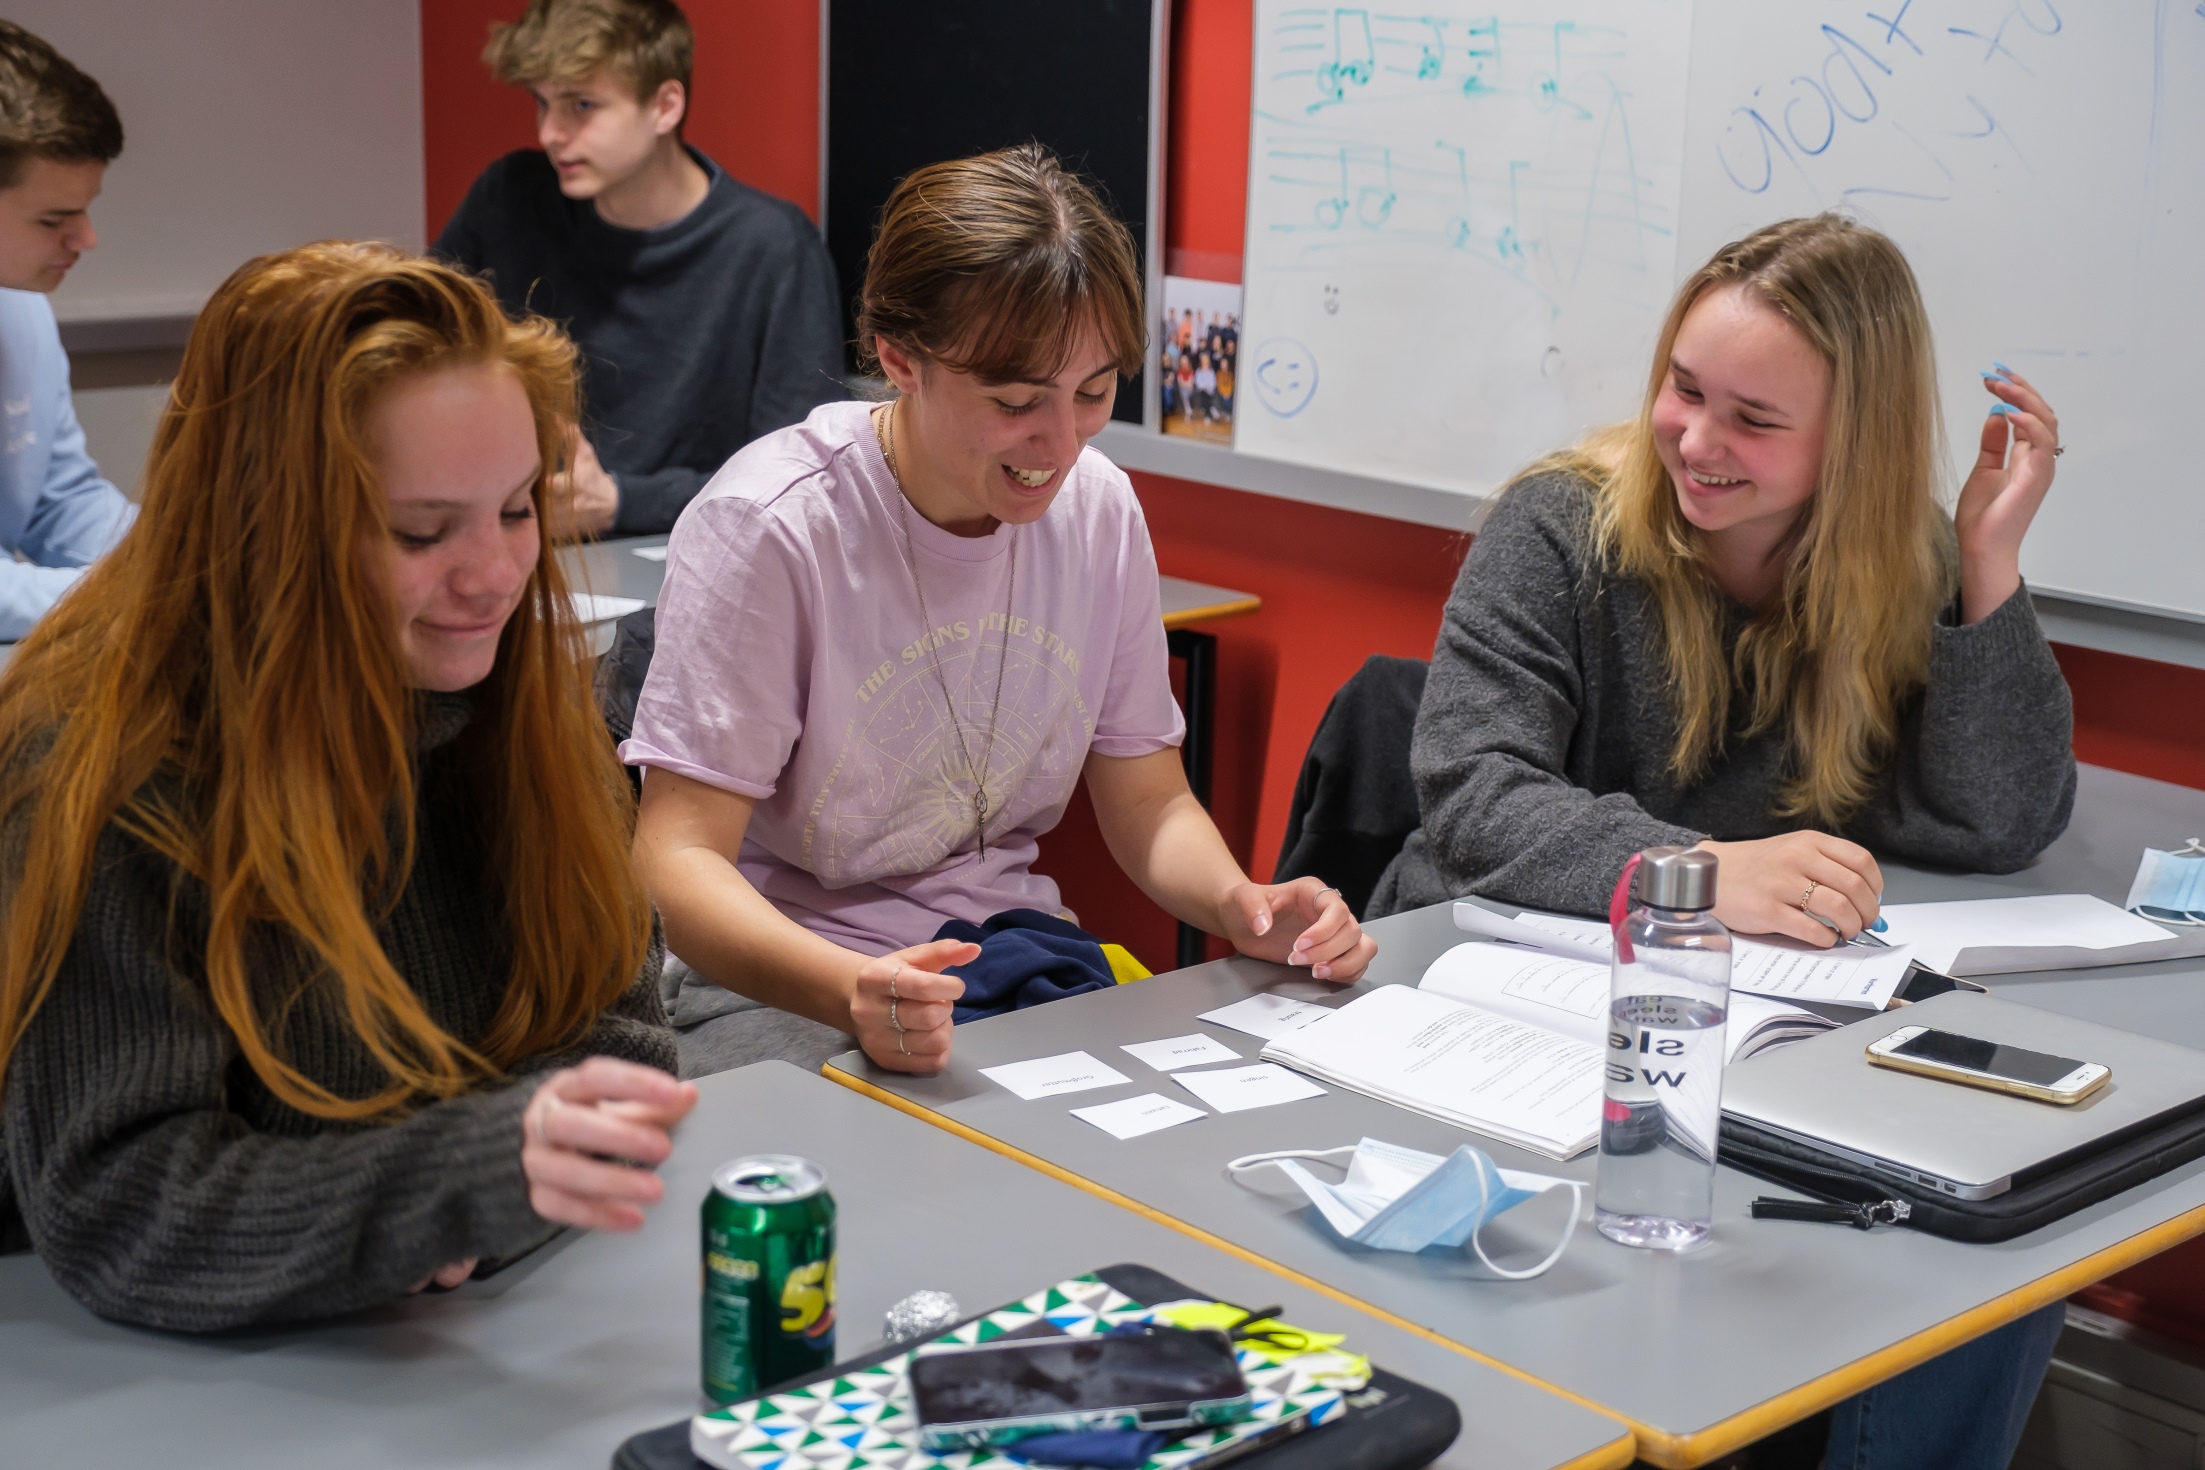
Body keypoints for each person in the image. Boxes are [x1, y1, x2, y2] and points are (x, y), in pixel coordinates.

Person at [1372, 214, 2070, 1468]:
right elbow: (1470, 796)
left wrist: (1986, 563)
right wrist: (1696, 874)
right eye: (1684, 391)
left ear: (1853, 441)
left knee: (1993, 1232)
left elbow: (1999, 819)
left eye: (1754, 419)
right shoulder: (1559, 528)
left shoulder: (1893, 559)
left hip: (1749, 1034)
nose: (1698, 441)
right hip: (1501, 1002)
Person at [0, 242, 694, 1333]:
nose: (494, 577)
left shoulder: (519, 700)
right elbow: (124, 1203)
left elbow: (623, 1031)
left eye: (519, 510)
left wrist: (475, 1195)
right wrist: (441, 1191)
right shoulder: (105, 775)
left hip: (473, 1321)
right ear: (263, 529)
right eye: (420, 530)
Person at [627, 145, 1375, 1077]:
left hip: (1010, 955)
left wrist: (1241, 905)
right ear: (899, 358)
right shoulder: (772, 527)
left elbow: (1147, 800)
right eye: (1016, 401)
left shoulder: (1097, 510)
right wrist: (851, 988)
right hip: (786, 979)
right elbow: (677, 861)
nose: (1059, 445)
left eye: (1092, 392)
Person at [434, 0, 844, 539]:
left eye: (582, 105)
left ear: (664, 107)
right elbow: (419, 344)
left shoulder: (772, 247)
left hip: (687, 546)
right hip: (514, 535)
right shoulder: (509, 198)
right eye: (542, 103)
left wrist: (621, 503)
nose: (550, 133)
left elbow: (802, 475)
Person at [0, 21, 134, 640]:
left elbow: (61, 502)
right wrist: (138, 594)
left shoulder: (21, 308)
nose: (86, 239)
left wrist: (178, 557)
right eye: (55, 219)